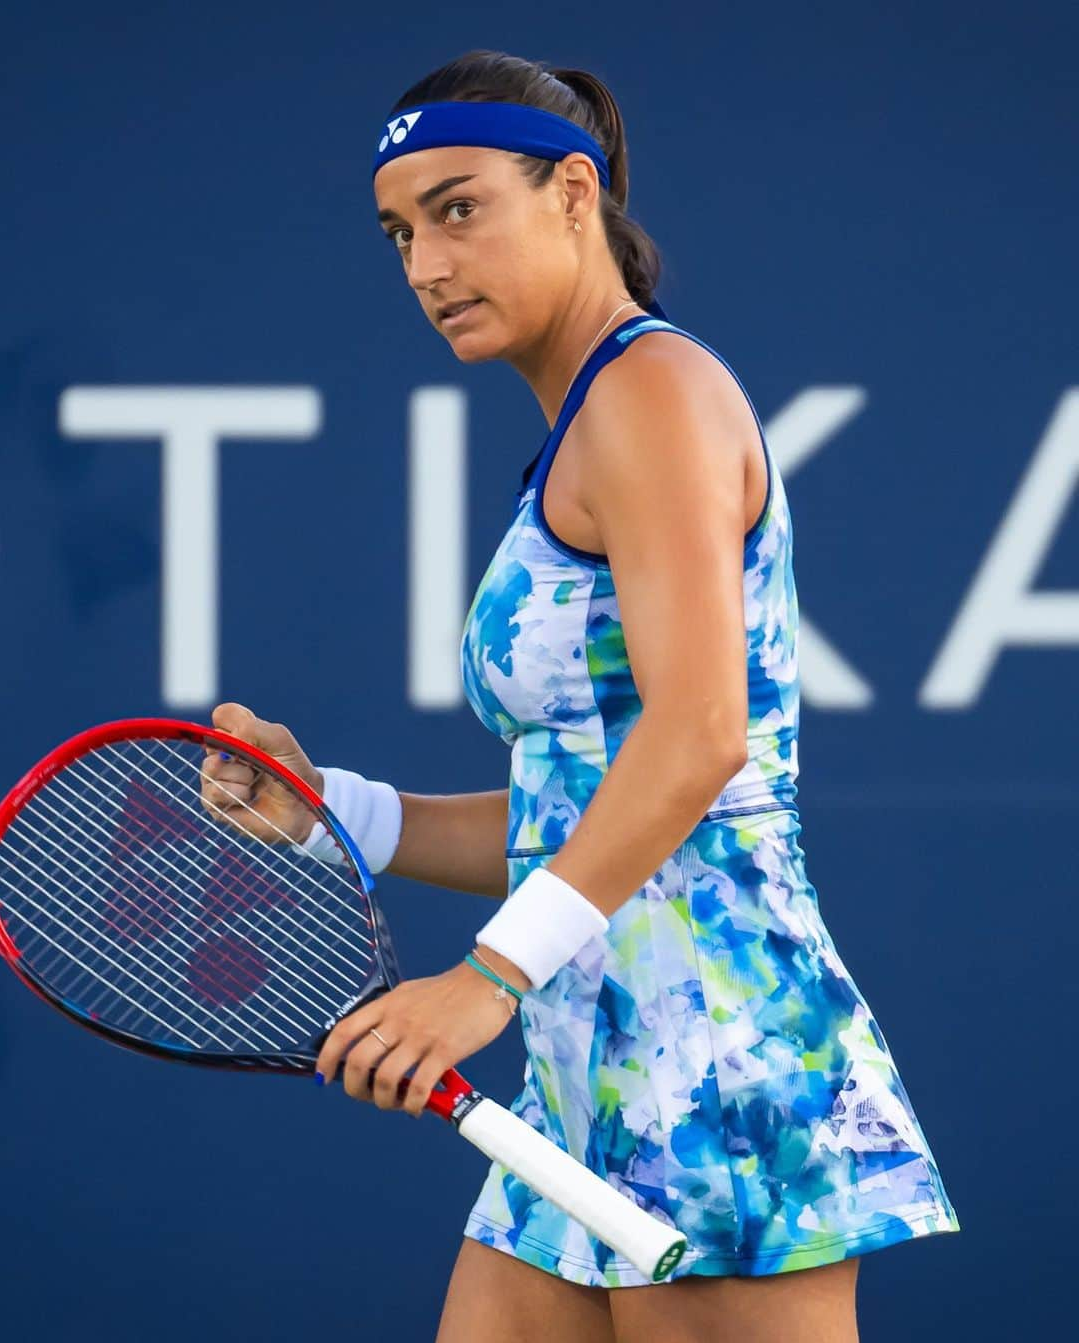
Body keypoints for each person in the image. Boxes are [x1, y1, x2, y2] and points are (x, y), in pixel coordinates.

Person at [201, 49, 960, 1343]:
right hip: (582, 1074)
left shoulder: (652, 392)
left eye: (458, 207)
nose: (425, 265)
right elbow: (588, 813)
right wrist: (340, 810)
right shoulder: (586, 428)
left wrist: (486, 979)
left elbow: (701, 737)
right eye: (398, 232)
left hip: (719, 1068)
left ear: (571, 192)